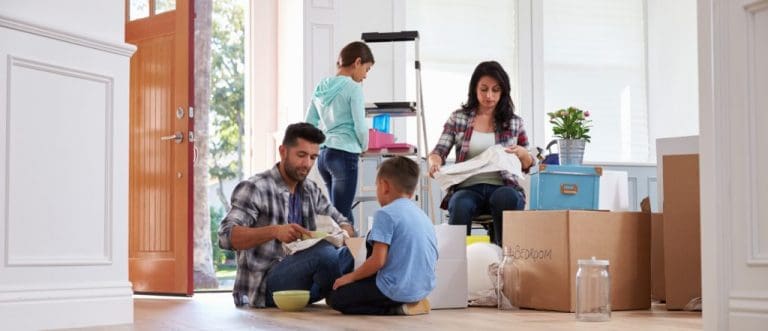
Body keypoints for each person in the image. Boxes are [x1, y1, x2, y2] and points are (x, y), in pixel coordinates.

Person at [218, 122, 356, 308]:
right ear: (283, 152)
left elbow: (342, 221)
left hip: (304, 282)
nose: (307, 164)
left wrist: (345, 233)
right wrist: (275, 231)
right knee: (325, 254)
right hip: (264, 286)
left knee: (354, 252)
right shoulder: (255, 187)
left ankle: (342, 294)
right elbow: (225, 236)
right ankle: (343, 295)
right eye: (301, 155)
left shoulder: (310, 190)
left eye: (313, 157)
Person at [427, 61, 535, 246]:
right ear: (474, 89)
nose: (489, 96)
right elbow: (439, 151)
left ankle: (505, 257)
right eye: (484, 89)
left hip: (503, 186)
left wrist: (523, 154)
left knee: (507, 198)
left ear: (503, 91)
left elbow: (528, 165)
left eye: (495, 90)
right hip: (467, 188)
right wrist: (434, 162)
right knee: (460, 203)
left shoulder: (514, 122)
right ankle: (456, 259)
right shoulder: (458, 118)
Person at [326, 156, 438, 315]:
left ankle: (398, 309)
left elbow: (378, 261)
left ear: (384, 186)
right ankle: (413, 303)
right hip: (422, 289)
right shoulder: (422, 215)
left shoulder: (385, 214)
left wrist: (350, 277)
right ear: (412, 191)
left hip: (394, 289)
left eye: (376, 185)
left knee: (335, 298)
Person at [306, 41, 375, 227]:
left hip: (324, 156)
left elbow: (309, 123)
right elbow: (360, 126)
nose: (365, 76)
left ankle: (349, 245)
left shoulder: (321, 86)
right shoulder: (353, 88)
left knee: (340, 215)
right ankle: (351, 246)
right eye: (366, 69)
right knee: (343, 217)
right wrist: (364, 146)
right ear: (357, 62)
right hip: (344, 155)